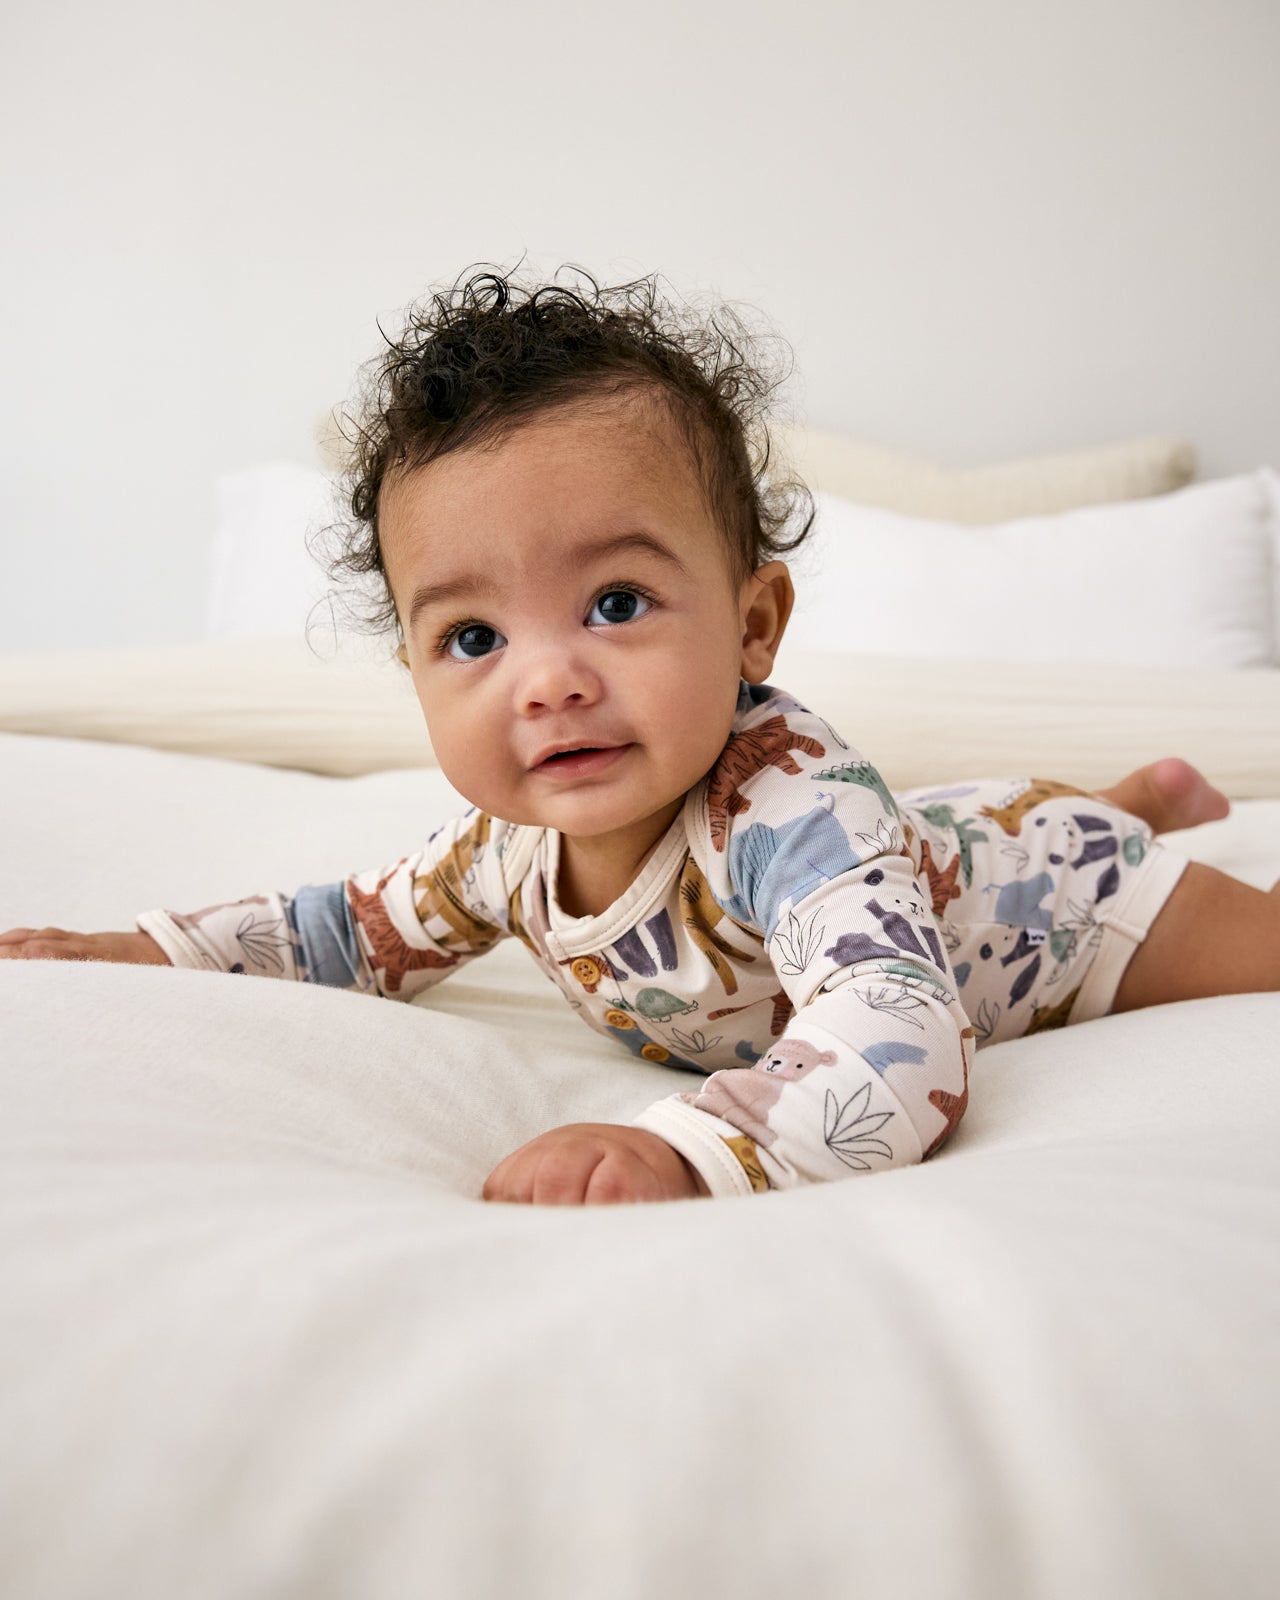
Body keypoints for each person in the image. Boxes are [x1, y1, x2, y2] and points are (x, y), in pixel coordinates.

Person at [2, 270, 1275, 1206]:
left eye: (615, 605)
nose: (547, 681)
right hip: (946, 847)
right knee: (956, 834)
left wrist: (686, 1146)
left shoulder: (788, 810)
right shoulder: (499, 851)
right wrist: (139, 948)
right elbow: (347, 929)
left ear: (752, 624)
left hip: (1062, 910)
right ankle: (1133, 790)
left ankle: (1126, 823)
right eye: (471, 638)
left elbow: (895, 1022)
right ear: (413, 671)